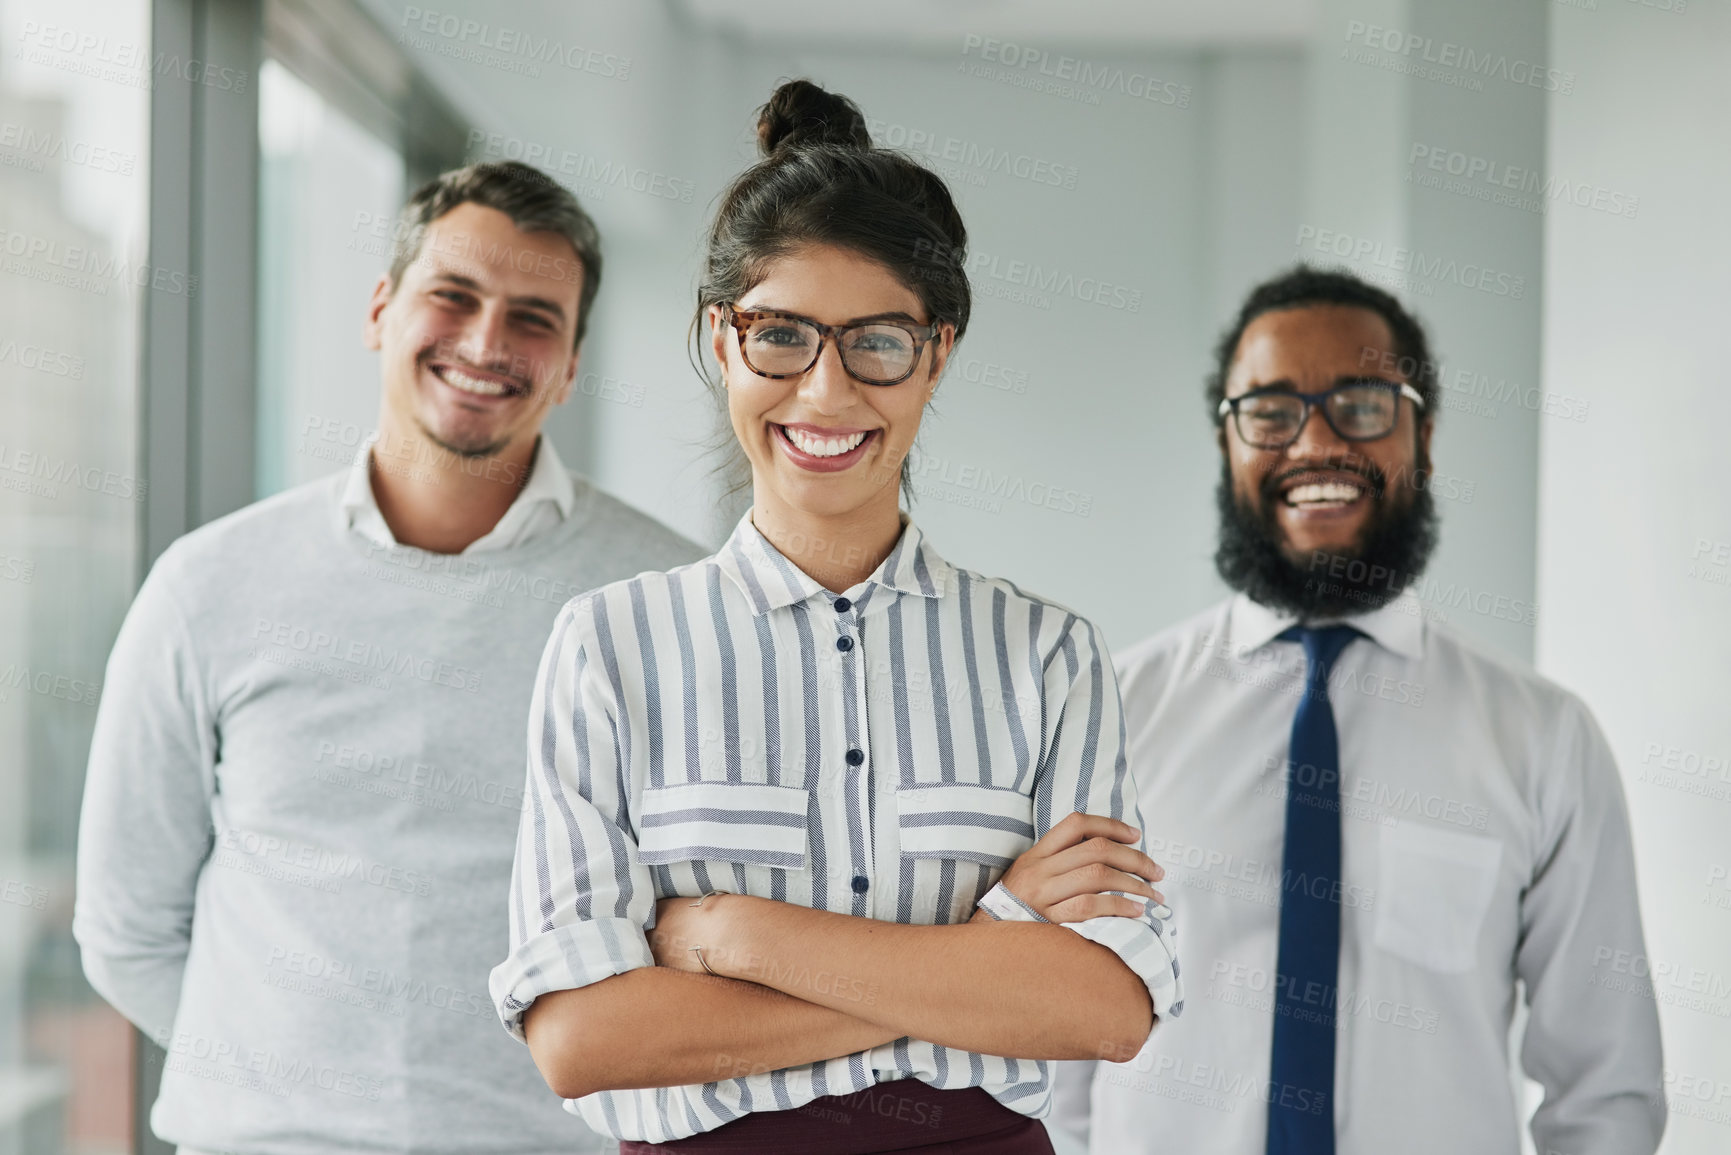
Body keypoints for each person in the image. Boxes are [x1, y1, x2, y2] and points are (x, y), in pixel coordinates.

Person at [489, 80, 1183, 1154]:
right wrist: (985, 949)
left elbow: (1103, 1010)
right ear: (724, 343)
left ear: (937, 354)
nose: (825, 392)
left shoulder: (1047, 655)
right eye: (781, 337)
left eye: (878, 343)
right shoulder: (611, 647)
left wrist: (734, 934)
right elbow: (583, 1038)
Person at [73, 161, 704, 1155]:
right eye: (453, 297)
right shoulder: (210, 586)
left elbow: (701, 921)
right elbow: (126, 932)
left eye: (535, 318)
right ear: (381, 310)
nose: (487, 343)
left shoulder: (669, 602)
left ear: (572, 365)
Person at [1050, 266, 1665, 1155]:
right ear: (1226, 442)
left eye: (1362, 403)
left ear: (1423, 434)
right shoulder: (1108, 715)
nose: (1315, 443)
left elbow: (1604, 1089)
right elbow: (1054, 1056)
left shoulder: (1543, 739)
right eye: (1268, 410)